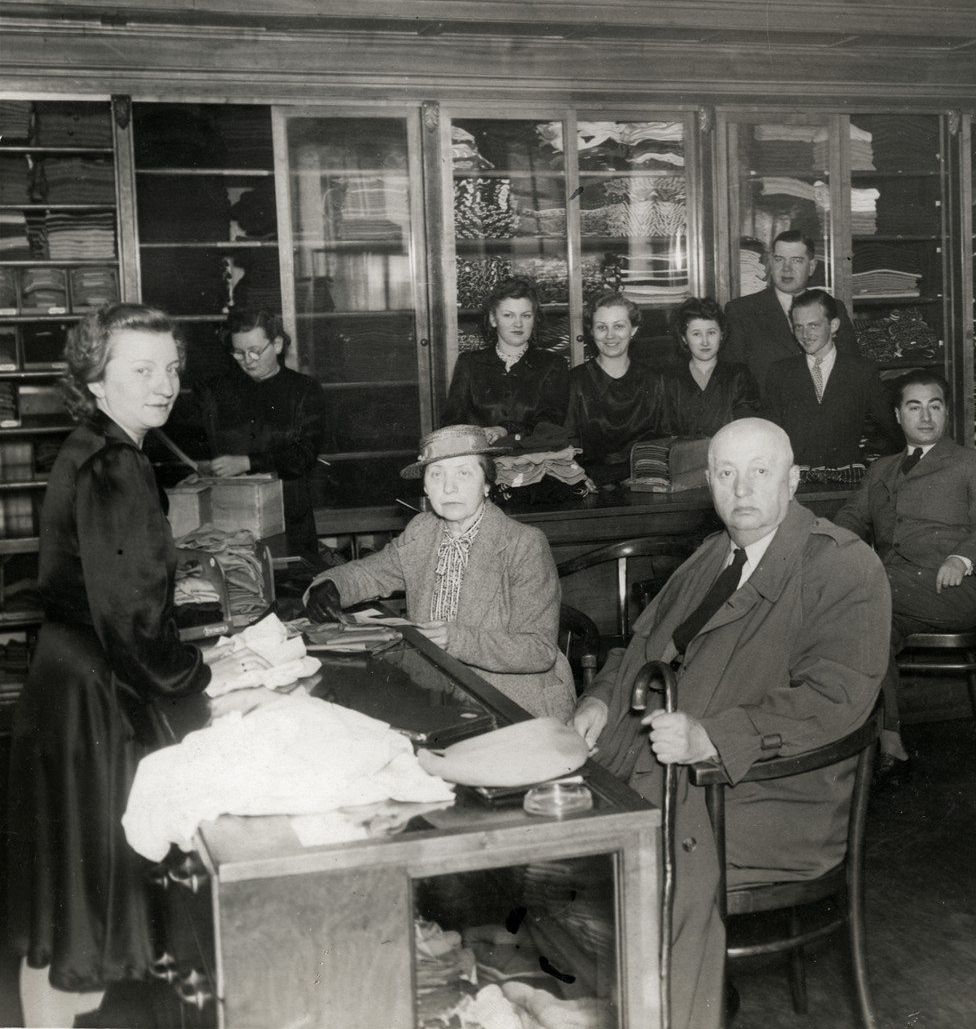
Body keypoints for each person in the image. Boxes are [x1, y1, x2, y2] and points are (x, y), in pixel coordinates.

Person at [571, 419, 888, 1029]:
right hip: (665, 769)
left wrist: (713, 737)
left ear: (792, 481)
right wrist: (602, 701)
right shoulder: (711, 556)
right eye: (725, 473)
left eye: (759, 472)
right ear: (708, 482)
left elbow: (836, 698)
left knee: (643, 855)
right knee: (548, 830)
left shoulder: (842, 565)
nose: (742, 489)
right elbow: (637, 651)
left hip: (766, 793)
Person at [4, 304, 262, 1027]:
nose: (164, 384)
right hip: (93, 695)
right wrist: (207, 674)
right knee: (88, 904)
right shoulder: (119, 462)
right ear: (97, 376)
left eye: (172, 368)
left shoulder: (96, 446)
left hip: (67, 680)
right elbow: (130, 619)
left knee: (67, 902)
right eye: (141, 369)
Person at [305, 424, 572, 721]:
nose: (449, 487)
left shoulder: (523, 544)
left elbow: (538, 650)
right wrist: (331, 584)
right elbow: (372, 573)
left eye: (464, 473)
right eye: (437, 474)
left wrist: (455, 639)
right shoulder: (423, 529)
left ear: (487, 483)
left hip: (515, 703)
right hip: (440, 691)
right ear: (425, 488)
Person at [834, 371, 976, 785]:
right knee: (868, 627)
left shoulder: (970, 462)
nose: (926, 416)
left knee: (858, 598)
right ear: (898, 415)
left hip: (949, 589)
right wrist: (821, 546)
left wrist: (962, 556)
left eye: (935, 406)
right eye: (915, 406)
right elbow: (851, 519)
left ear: (946, 412)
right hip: (891, 591)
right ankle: (890, 744)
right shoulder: (881, 469)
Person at [194, 307, 326, 563]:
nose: (248, 359)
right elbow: (196, 446)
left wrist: (247, 463)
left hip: (288, 514)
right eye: (239, 353)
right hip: (228, 515)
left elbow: (304, 455)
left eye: (255, 350)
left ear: (276, 344)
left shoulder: (304, 390)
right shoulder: (213, 391)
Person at [758, 289, 897, 468]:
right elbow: (769, 433)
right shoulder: (780, 372)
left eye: (813, 325)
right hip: (796, 482)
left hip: (847, 482)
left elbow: (894, 426)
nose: (805, 335)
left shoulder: (861, 371)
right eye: (799, 327)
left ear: (834, 326)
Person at [719, 228, 858, 388]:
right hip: (766, 411)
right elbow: (733, 380)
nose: (786, 268)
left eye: (796, 260)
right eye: (779, 259)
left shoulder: (834, 307)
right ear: (770, 262)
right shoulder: (741, 311)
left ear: (812, 267)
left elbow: (852, 368)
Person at [442, 275, 569, 449]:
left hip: (535, 463)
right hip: (480, 464)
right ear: (494, 319)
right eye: (508, 315)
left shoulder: (553, 364)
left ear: (534, 319)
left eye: (526, 315)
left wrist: (505, 430)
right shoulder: (469, 363)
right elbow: (453, 423)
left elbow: (550, 422)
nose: (518, 324)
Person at [564, 293, 668, 486]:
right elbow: (566, 442)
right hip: (587, 484)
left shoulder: (654, 381)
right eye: (602, 327)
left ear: (633, 329)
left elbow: (664, 441)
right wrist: (576, 477)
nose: (610, 335)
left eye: (618, 326)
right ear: (592, 332)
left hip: (643, 482)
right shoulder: (575, 380)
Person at [661, 296, 758, 438]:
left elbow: (746, 427)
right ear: (684, 338)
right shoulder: (668, 379)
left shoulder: (739, 375)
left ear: (722, 335)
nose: (705, 342)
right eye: (696, 334)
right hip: (682, 457)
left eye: (711, 333)